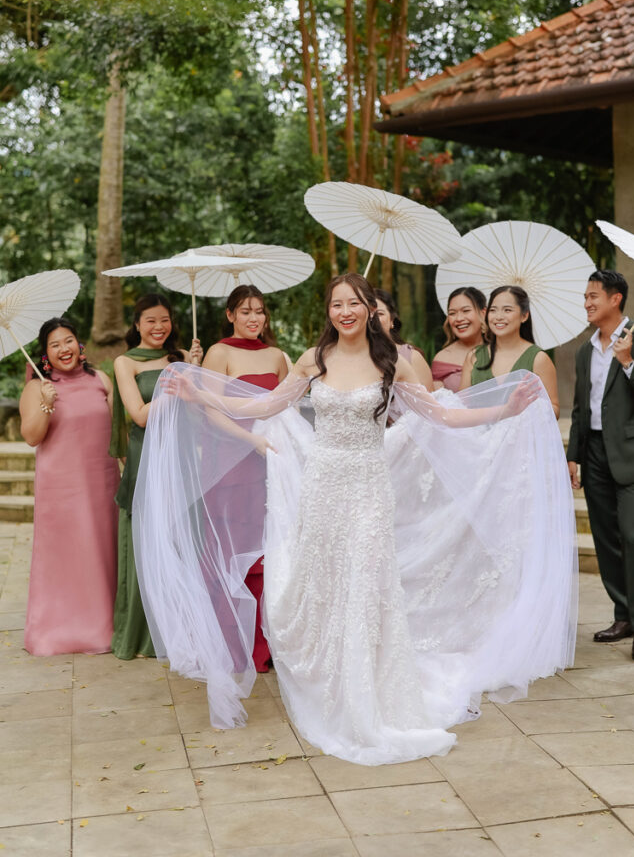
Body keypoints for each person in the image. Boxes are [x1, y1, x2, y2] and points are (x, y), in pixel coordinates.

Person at [134, 273, 577, 766]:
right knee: (328, 584)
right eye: (337, 304)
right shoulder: (313, 358)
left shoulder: (392, 362)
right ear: (329, 311)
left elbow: (441, 416)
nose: (345, 311)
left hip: (369, 487)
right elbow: (265, 404)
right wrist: (202, 396)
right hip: (322, 486)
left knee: (366, 584)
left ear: (369, 309)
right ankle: (336, 684)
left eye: (354, 303)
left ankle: (370, 695)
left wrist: (505, 411)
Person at [567, 270, 634, 661]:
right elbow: (581, 407)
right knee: (606, 539)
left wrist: (628, 362)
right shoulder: (585, 351)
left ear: (616, 299)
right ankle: (623, 616)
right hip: (593, 453)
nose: (587, 303)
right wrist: (573, 455)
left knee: (632, 535)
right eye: (585, 297)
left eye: (593, 296)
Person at [202, 285, 289, 671]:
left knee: (267, 552)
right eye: (245, 311)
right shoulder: (218, 352)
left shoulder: (276, 356)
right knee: (234, 551)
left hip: (271, 462)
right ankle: (232, 646)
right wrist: (251, 440)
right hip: (232, 463)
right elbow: (211, 410)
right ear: (230, 315)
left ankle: (263, 645)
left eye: (259, 311)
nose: (254, 318)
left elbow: (286, 406)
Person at [110, 293, 202, 660]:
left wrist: (195, 371)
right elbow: (139, 414)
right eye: (150, 320)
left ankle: (181, 628)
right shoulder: (125, 362)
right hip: (146, 457)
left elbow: (199, 409)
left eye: (164, 319)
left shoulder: (181, 358)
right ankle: (142, 634)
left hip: (180, 457)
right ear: (137, 325)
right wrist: (178, 388)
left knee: (179, 540)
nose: (159, 327)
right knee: (146, 542)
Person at [20, 318, 119, 655]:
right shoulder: (37, 387)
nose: (64, 349)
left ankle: (106, 626)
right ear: (45, 353)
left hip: (103, 484)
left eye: (69, 340)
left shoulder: (101, 380)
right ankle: (59, 629)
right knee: (67, 557)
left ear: (80, 344)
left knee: (102, 552)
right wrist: (46, 404)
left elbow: (118, 434)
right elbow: (32, 436)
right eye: (55, 344)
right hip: (60, 491)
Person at [460, 285, 560, 418]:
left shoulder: (538, 359)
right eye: (493, 310)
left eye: (507, 310)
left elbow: (554, 409)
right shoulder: (474, 357)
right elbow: (460, 406)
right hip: (478, 431)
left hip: (521, 431)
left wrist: (528, 410)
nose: (498, 317)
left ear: (524, 316)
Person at [374, 288, 433, 390]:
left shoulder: (412, 357)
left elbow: (428, 398)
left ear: (392, 320)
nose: (373, 319)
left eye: (380, 314)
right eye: (368, 314)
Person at [432, 287, 486, 392]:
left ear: (483, 313)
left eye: (466, 311)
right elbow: (437, 400)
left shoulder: (499, 350)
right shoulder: (442, 358)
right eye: (452, 313)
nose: (459, 319)